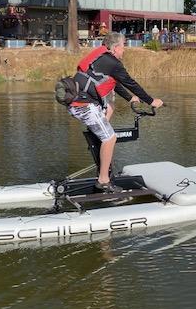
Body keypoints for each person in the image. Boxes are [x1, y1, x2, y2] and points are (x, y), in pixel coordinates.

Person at [68, 32, 163, 193]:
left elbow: (115, 84)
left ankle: (99, 138)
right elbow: (130, 82)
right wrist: (151, 101)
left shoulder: (101, 58)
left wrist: (129, 98)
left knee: (110, 104)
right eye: (123, 46)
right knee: (110, 138)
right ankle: (103, 180)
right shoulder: (113, 62)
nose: (124, 50)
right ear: (117, 47)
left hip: (80, 101)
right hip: (83, 105)